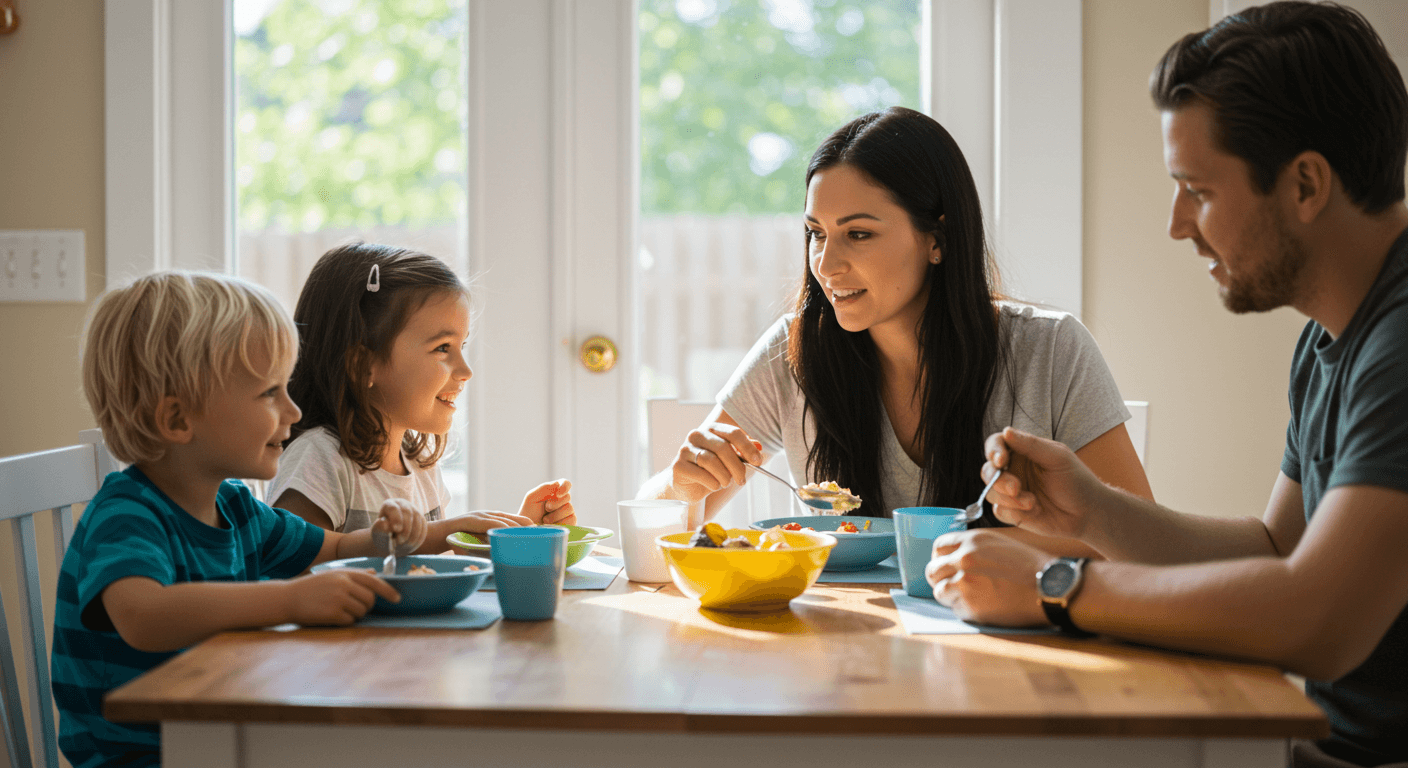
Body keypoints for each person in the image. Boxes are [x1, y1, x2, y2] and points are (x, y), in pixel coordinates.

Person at [925, 3, 1408, 765]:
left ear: (1306, 185)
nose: (1178, 224)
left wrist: (1058, 586)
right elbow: (1279, 547)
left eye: (1200, 190)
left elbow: (1321, 620)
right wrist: (1090, 509)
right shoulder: (1332, 337)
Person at [639, 106, 1152, 554]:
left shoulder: (1051, 350)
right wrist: (681, 488)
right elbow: (645, 538)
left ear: (938, 239)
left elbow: (1135, 543)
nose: (826, 264)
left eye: (858, 234)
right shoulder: (795, 352)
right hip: (844, 647)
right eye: (816, 234)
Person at [52, 271, 424, 768]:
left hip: (225, 736)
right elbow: (145, 617)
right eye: (270, 393)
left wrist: (380, 538)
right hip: (148, 757)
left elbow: (330, 548)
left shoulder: (235, 507)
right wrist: (289, 599)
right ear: (178, 420)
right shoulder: (126, 515)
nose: (293, 411)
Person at [268, 243, 575, 540]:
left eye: (462, 346)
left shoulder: (421, 466)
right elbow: (297, 569)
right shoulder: (318, 461)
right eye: (443, 348)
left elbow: (435, 568)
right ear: (363, 365)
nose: (466, 371)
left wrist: (515, 531)